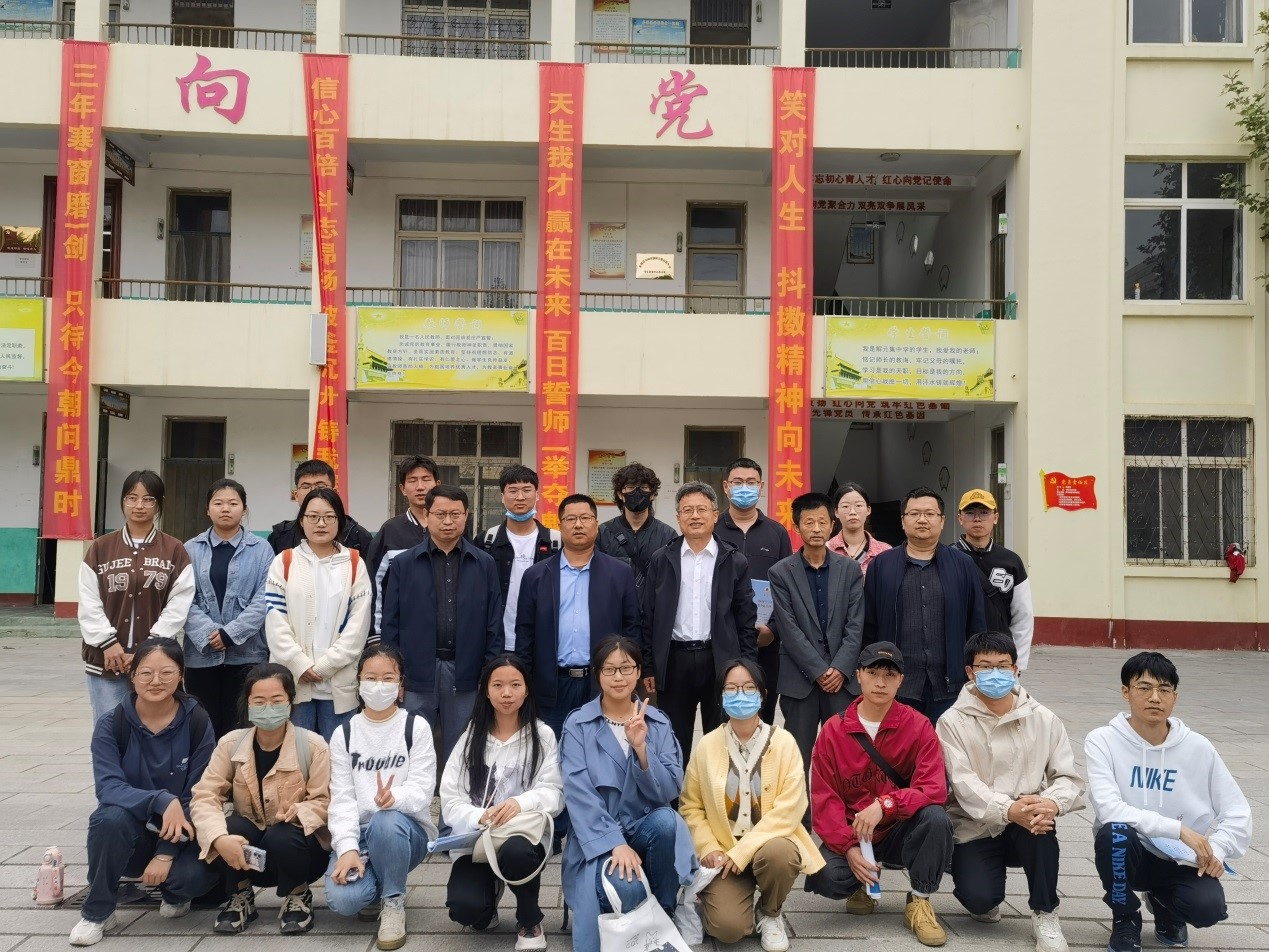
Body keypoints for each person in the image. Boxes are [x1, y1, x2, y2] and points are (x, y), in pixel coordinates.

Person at [1085, 651, 1252, 952]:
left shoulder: (1198, 747)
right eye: (1144, 687)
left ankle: (1164, 905)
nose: (1155, 698)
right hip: (1131, 851)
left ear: (1175, 697)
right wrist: (1179, 830)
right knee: (1114, 833)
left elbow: (1237, 811)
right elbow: (1108, 808)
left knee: (1208, 909)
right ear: (1125, 692)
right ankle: (1125, 917)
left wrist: (1216, 850)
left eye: (1164, 689)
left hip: (1181, 858)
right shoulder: (1103, 740)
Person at [936, 632, 1085, 952]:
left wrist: (1051, 803)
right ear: (970, 672)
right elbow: (962, 782)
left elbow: (1067, 776)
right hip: (976, 824)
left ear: (1016, 669)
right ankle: (982, 890)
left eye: (1003, 666)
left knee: (1042, 823)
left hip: (1028, 819)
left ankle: (1046, 911)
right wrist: (1007, 809)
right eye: (985, 666)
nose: (995, 673)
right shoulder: (951, 722)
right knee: (979, 899)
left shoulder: (1043, 718)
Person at [804, 642, 954, 949]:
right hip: (855, 832)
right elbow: (824, 799)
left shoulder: (918, 726)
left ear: (901, 680)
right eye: (872, 673)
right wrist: (848, 848)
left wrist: (887, 804)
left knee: (936, 818)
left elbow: (933, 788)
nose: (881, 682)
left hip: (899, 828)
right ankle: (861, 883)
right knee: (827, 878)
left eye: (889, 675)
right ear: (858, 675)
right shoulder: (833, 730)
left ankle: (920, 900)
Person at [69, 639, 217, 946]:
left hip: (184, 830)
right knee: (108, 818)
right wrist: (161, 800)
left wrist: (165, 853)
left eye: (167, 672)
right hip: (131, 832)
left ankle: (174, 892)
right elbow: (108, 787)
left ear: (181, 674)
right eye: (146, 672)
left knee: (192, 879)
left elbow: (199, 792)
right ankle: (97, 912)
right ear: (132, 675)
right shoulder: (112, 724)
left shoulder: (197, 721)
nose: (156, 681)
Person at [559, 636, 696, 952]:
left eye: (625, 668)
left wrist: (641, 749)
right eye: (609, 669)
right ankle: (646, 923)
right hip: (598, 839)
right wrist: (615, 843)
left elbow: (670, 788)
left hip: (644, 830)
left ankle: (663, 912)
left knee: (667, 821)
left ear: (638, 672)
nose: (618, 677)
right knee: (629, 889)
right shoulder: (578, 724)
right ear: (598, 674)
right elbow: (578, 794)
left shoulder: (657, 722)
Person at [679, 659, 823, 952]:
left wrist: (744, 850)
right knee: (728, 930)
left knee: (781, 853)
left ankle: (770, 912)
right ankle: (722, 902)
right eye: (731, 689)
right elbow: (691, 806)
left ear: (763, 694)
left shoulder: (784, 743)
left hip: (769, 846)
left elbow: (791, 807)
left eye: (748, 688)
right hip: (724, 854)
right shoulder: (707, 745)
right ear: (721, 697)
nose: (740, 695)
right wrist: (709, 847)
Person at [191, 662, 331, 935]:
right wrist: (218, 838)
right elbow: (204, 796)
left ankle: (298, 894)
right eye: (259, 701)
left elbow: (325, 801)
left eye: (276, 700)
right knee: (229, 826)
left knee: (282, 834)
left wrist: (301, 811)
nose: (268, 708)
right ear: (248, 703)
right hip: (246, 853)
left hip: (298, 852)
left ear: (290, 701)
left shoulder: (313, 746)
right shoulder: (230, 744)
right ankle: (240, 895)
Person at [440, 654, 563, 949]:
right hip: (477, 842)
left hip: (522, 837)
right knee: (466, 910)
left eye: (515, 685)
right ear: (486, 690)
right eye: (497, 685)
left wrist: (521, 803)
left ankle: (529, 919)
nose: (506, 693)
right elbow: (450, 799)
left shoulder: (542, 735)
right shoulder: (470, 737)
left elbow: (555, 792)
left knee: (517, 852)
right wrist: (479, 816)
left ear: (527, 689)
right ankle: (491, 890)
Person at [324, 645, 438, 952]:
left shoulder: (415, 727)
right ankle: (379, 880)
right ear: (359, 683)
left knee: (385, 820)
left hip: (404, 832)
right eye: (371, 677)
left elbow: (423, 789)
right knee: (344, 901)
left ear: (400, 687)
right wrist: (348, 848)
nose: (378, 685)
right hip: (361, 835)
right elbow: (342, 799)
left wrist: (394, 797)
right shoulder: (344, 734)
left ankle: (393, 902)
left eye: (388, 678)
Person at [381, 485, 502, 764]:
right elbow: (391, 623)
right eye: (440, 514)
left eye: (455, 514)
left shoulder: (484, 564)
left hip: (466, 673)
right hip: (415, 672)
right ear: (427, 515)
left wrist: (488, 671)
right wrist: (394, 674)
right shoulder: (404, 564)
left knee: (460, 752)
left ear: (466, 515)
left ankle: (453, 795)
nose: (448, 521)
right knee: (411, 748)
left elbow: (494, 623)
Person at [641, 481, 758, 757]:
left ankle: (715, 786)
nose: (695, 516)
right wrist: (649, 666)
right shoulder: (661, 559)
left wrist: (747, 667)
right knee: (672, 743)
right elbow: (648, 616)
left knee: (721, 743)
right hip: (674, 661)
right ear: (678, 517)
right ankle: (674, 787)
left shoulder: (734, 560)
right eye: (687, 510)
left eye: (702, 509)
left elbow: (746, 620)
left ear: (715, 515)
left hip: (720, 660)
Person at [514, 494, 641, 735]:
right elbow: (525, 635)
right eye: (570, 519)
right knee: (552, 750)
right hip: (551, 685)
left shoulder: (620, 573)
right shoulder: (536, 575)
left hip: (602, 682)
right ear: (559, 525)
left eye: (585, 518)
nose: (578, 525)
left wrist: (628, 676)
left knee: (602, 749)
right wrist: (524, 681)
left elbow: (631, 629)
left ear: (596, 523)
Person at [79, 470, 196, 723]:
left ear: (159, 503)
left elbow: (179, 603)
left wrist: (148, 648)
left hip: (156, 663)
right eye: (132, 498)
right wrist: (107, 643)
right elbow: (89, 601)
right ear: (123, 501)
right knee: (110, 731)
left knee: (157, 730)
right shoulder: (101, 548)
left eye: (148, 499)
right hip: (107, 661)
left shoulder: (174, 549)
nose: (139, 505)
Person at [861, 487, 985, 724]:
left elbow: (976, 623)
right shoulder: (882, 565)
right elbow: (869, 625)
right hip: (897, 684)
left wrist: (976, 670)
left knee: (946, 745)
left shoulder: (963, 565)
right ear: (902, 521)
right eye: (914, 513)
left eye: (929, 514)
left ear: (942, 520)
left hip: (950, 685)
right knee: (897, 745)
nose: (922, 519)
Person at [768, 492, 864, 776]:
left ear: (833, 525)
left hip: (842, 682)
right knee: (796, 761)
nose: (816, 529)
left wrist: (840, 667)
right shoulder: (781, 572)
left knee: (846, 757)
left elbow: (855, 624)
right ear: (797, 527)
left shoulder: (850, 569)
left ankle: (842, 807)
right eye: (809, 523)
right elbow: (788, 628)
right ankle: (801, 808)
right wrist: (819, 670)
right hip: (800, 681)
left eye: (822, 522)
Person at [264, 487, 372, 740]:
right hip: (294, 680)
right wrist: (300, 664)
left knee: (338, 755)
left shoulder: (354, 563)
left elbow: (358, 625)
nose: (321, 523)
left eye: (329, 517)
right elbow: (275, 620)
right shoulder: (284, 562)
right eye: (312, 516)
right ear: (302, 521)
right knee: (296, 753)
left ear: (340, 521)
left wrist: (325, 666)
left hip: (338, 683)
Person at [183, 478, 274, 738]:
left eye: (233, 503)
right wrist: (210, 634)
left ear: (244, 509)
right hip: (201, 656)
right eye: (218, 503)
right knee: (203, 727)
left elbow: (265, 597)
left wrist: (230, 634)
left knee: (243, 727)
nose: (225, 509)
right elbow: (182, 598)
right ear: (207, 509)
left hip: (247, 655)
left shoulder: (262, 549)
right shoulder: (190, 549)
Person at [714, 458, 793, 724]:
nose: (744, 488)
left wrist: (773, 629)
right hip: (722, 639)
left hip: (766, 642)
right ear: (726, 486)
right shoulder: (713, 530)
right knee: (723, 714)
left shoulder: (777, 533)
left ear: (761, 486)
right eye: (737, 482)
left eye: (751, 482)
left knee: (762, 713)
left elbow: (788, 589)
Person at [954, 489, 1035, 672]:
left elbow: (1023, 615)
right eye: (970, 513)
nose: (977, 519)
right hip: (958, 651)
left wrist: (1018, 665)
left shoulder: (1011, 561)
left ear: (995, 517)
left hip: (998, 655)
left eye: (984, 512)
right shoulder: (948, 558)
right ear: (960, 518)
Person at [483, 465, 561, 651]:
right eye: (512, 491)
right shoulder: (487, 541)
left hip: (541, 641)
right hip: (497, 641)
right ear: (502, 497)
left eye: (527, 490)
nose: (520, 497)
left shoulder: (556, 542)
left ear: (537, 495)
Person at [365, 455, 438, 637]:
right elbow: (374, 585)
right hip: (399, 632)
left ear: (437, 484)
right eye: (412, 480)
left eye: (426, 479)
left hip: (445, 634)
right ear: (402, 489)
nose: (420, 486)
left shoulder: (451, 528)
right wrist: (376, 634)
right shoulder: (391, 530)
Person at [597, 461, 680, 594]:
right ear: (620, 494)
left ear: (652, 495)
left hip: (652, 606)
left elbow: (671, 581)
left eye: (644, 488)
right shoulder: (603, 533)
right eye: (630, 487)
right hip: (616, 605)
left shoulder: (668, 535)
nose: (637, 492)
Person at [268, 459, 372, 559]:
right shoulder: (280, 537)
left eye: (321, 486)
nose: (313, 492)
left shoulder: (359, 537)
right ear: (296, 495)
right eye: (306, 487)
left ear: (334, 492)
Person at [826, 482, 891, 575]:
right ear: (836, 512)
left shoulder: (885, 551)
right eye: (845, 506)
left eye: (858, 505)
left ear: (868, 510)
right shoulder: (826, 550)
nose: (852, 512)